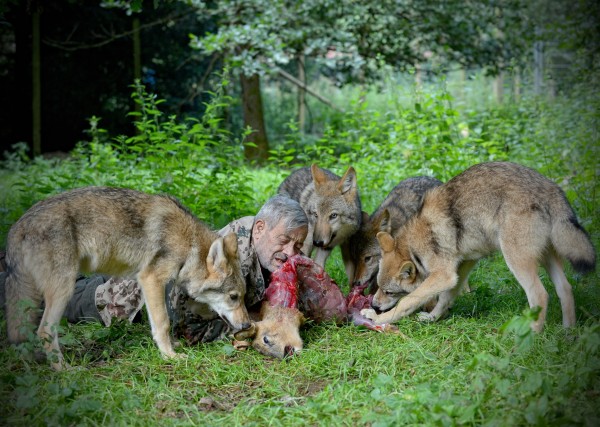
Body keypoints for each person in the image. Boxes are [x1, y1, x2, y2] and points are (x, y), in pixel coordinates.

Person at [0, 194, 309, 344]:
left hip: (127, 270)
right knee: (47, 296)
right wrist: (253, 327)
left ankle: (16, 258)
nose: (290, 252)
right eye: (284, 241)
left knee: (67, 273)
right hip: (120, 303)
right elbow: (186, 323)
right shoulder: (232, 259)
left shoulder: (259, 253)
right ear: (259, 229)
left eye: (298, 246)